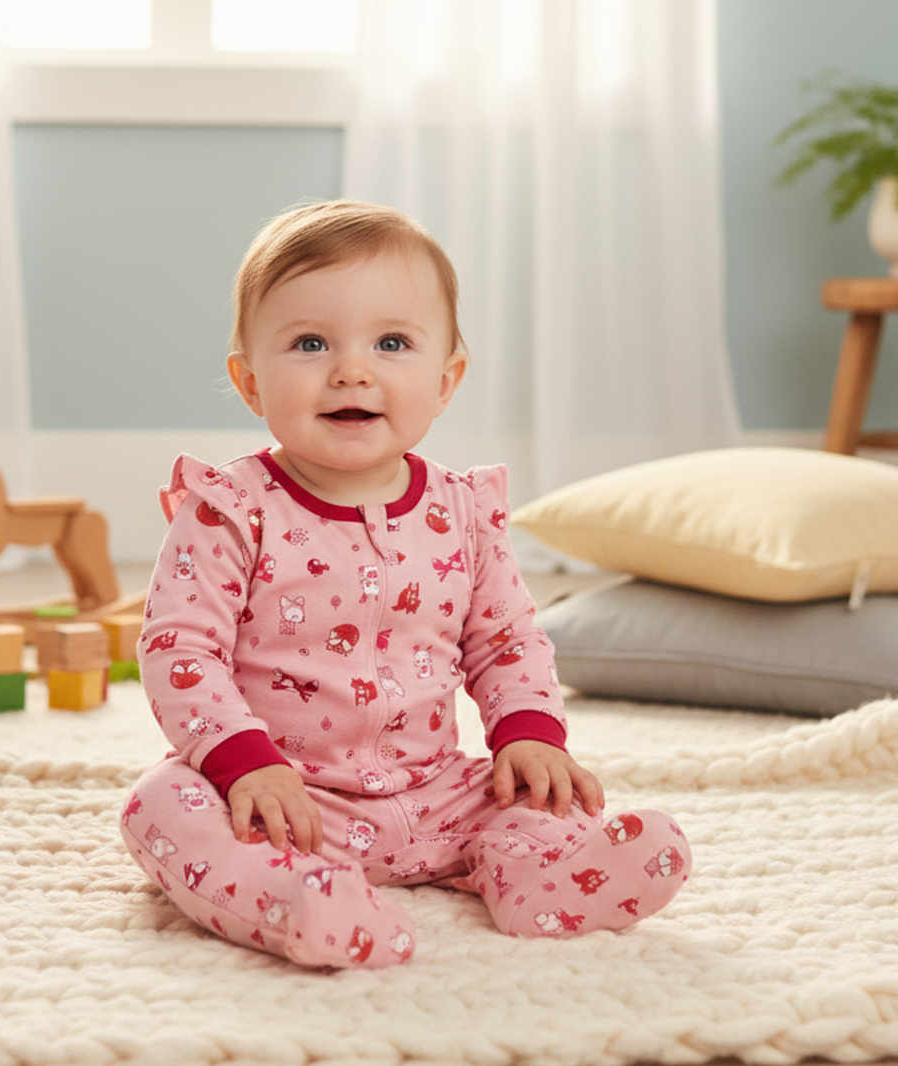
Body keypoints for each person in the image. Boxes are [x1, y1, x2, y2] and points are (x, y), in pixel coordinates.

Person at [119, 200, 690, 968]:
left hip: (437, 793)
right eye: (310, 343)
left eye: (392, 343)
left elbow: (507, 639)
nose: (352, 369)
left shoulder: (463, 511)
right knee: (161, 807)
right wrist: (242, 761)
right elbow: (180, 648)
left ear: (446, 380)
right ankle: (297, 899)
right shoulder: (230, 509)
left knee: (529, 801)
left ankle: (543, 878)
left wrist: (529, 736)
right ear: (250, 382)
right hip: (285, 800)